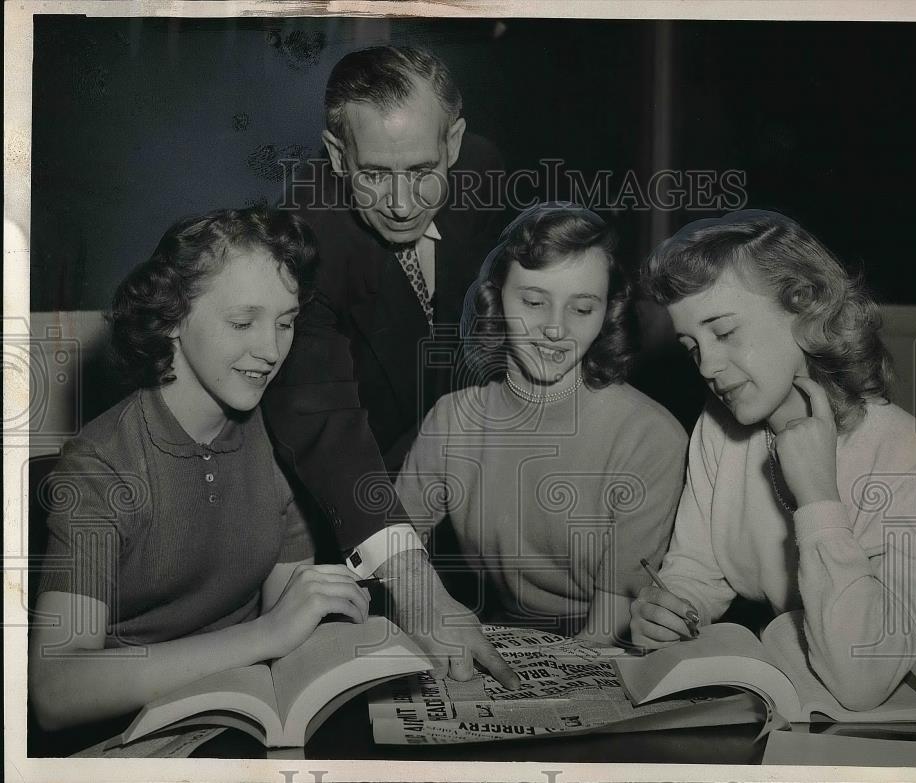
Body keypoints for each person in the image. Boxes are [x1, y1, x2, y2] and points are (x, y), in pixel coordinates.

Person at [29, 208, 372, 731]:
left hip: (243, 715)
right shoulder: (100, 464)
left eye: (286, 322)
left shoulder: (279, 434)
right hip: (121, 736)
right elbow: (55, 690)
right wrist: (264, 635)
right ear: (170, 318)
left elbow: (289, 620)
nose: (271, 350)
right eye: (243, 322)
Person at [631, 209, 916, 711]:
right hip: (796, 675)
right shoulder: (719, 429)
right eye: (691, 346)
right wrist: (672, 609)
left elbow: (862, 680)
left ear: (805, 308)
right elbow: (695, 572)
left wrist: (817, 497)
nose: (707, 365)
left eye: (723, 333)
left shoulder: (907, 457)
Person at [262, 45, 516, 688]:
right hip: (353, 514)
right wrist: (418, 587)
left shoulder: (487, 173)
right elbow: (326, 428)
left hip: (475, 497)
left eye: (422, 170)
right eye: (373, 173)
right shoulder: (301, 240)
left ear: (454, 144)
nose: (403, 203)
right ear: (337, 154)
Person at [394, 203, 688, 645]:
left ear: (607, 314)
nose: (555, 328)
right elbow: (391, 548)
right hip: (498, 636)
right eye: (533, 301)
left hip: (608, 649)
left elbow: (604, 633)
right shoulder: (452, 420)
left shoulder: (650, 437)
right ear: (496, 297)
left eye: (582, 309)